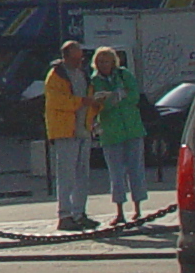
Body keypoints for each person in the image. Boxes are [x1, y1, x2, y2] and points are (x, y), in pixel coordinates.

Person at [90, 46, 148, 228]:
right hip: (111, 132)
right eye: (99, 61)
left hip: (132, 129)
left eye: (106, 61)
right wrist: (114, 99)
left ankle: (138, 209)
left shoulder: (124, 75)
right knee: (116, 174)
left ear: (113, 61)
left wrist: (115, 96)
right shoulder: (93, 81)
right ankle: (120, 212)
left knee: (135, 170)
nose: (103, 64)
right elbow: (99, 104)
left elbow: (134, 97)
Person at [43, 40, 97, 231]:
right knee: (66, 175)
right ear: (65, 57)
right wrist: (81, 101)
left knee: (82, 174)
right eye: (75, 58)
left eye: (80, 58)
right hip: (65, 131)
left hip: (83, 129)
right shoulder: (56, 76)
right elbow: (57, 101)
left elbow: (87, 97)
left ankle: (79, 213)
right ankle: (65, 215)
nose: (79, 62)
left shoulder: (83, 74)